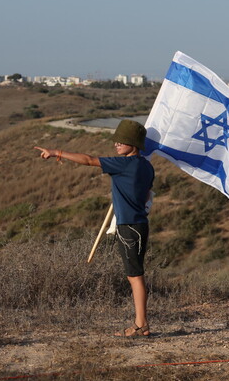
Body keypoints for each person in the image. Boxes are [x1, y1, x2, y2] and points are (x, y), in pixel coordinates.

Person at [34, 119, 155, 338]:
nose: (116, 144)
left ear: (133, 143)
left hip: (129, 227)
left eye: (122, 141)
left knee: (135, 276)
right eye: (116, 140)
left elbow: (89, 160)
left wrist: (56, 152)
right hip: (139, 224)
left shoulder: (124, 164)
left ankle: (141, 324)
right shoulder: (146, 166)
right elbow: (146, 195)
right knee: (135, 274)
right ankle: (141, 323)